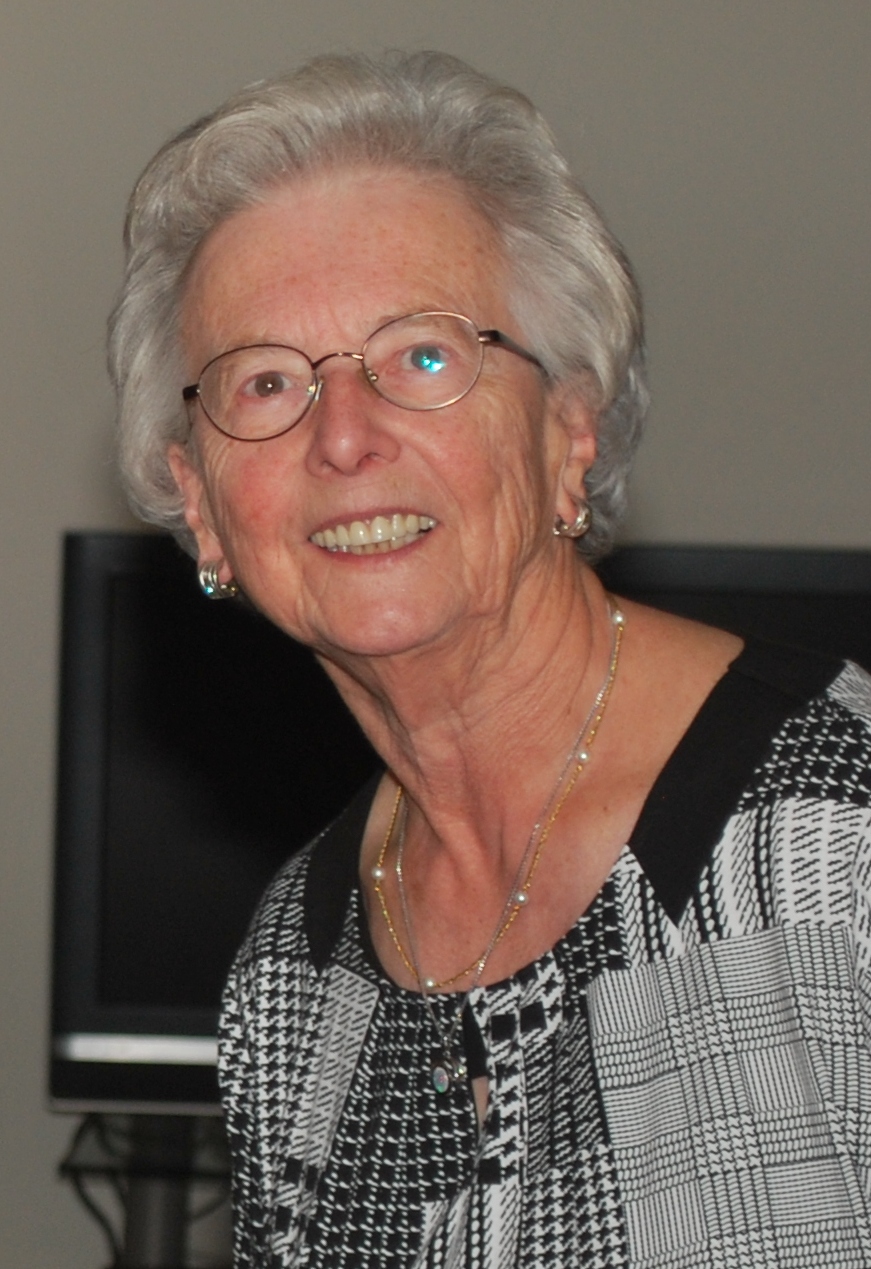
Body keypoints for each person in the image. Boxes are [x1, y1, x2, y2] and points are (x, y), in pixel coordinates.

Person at [109, 50, 871, 1269]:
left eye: (422, 356)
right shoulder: (293, 970)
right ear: (201, 506)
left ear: (569, 429)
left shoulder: (833, 830)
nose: (343, 437)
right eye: (266, 382)